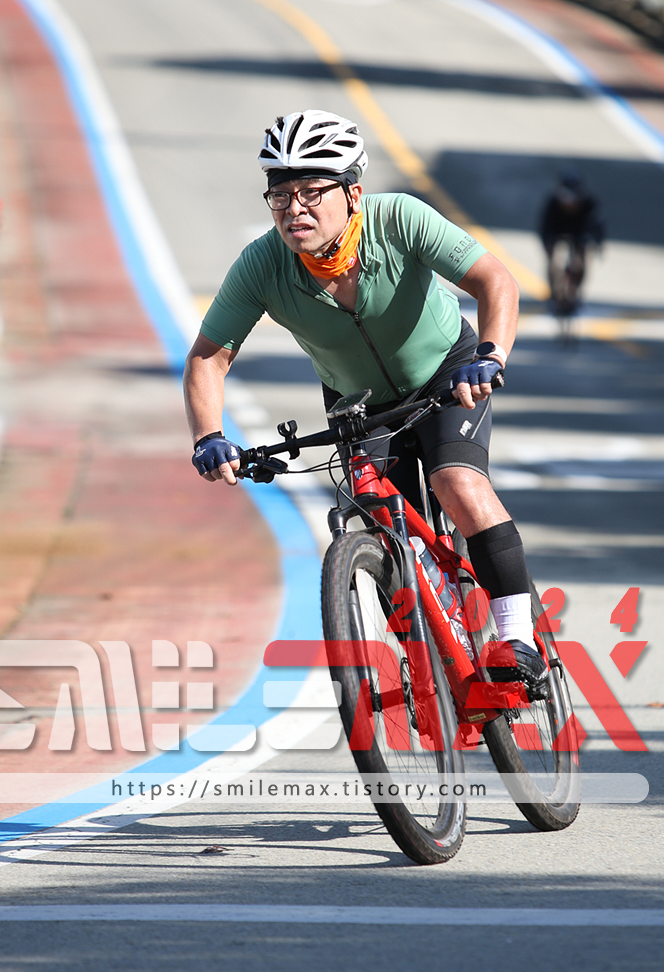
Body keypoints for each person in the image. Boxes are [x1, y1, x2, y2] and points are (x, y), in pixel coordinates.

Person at [182, 108, 547, 689]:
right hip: (357, 403)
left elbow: (494, 280)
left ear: (353, 194)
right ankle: (432, 661)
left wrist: (491, 355)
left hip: (448, 373)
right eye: (280, 196)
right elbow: (208, 357)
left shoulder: (399, 218)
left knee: (457, 483)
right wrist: (209, 435)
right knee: (376, 524)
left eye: (311, 192)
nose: (294, 209)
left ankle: (518, 641)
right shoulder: (262, 265)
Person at [537, 169, 605, 311]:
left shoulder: (589, 204)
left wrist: (594, 247)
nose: (569, 203)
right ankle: (553, 293)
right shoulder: (552, 204)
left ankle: (575, 292)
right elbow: (544, 229)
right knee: (553, 261)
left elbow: (596, 229)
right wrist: (549, 251)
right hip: (557, 230)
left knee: (581, 259)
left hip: (579, 232)